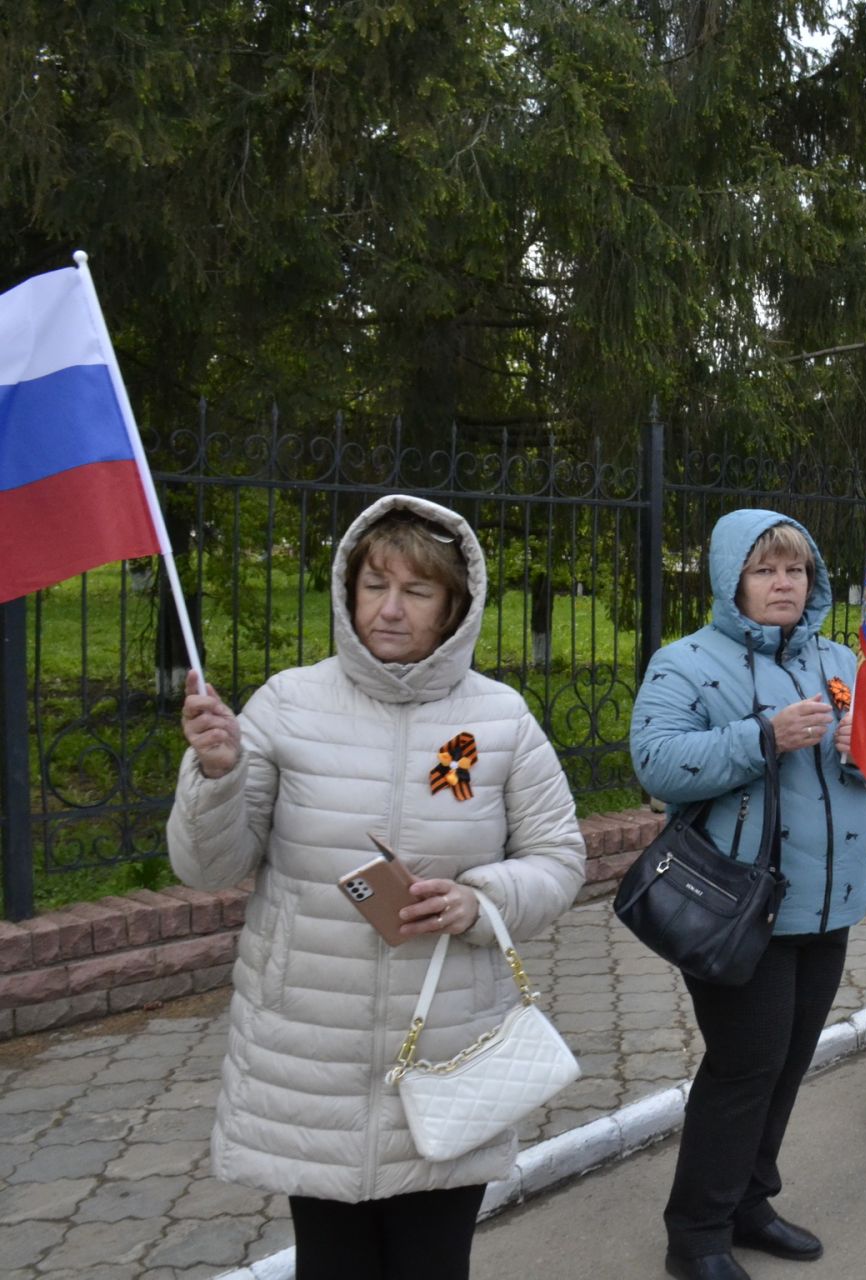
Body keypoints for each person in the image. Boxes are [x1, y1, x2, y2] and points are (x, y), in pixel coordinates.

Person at [168, 496, 587, 1280]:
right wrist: (218, 777)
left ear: (454, 608)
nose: (389, 609)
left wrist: (481, 900)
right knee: (332, 1267)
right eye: (373, 586)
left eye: (416, 591)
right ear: (346, 591)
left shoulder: (499, 720)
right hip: (309, 1050)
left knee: (432, 1265)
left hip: (449, 1050)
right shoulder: (287, 705)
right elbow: (207, 866)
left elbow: (560, 856)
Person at [630, 510, 866, 1280]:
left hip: (829, 898)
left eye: (796, 570)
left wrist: (864, 749)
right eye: (766, 570)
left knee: (787, 1062)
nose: (783, 583)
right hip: (739, 906)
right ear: (731, 579)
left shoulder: (839, 659)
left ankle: (750, 1201)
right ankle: (696, 1233)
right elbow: (658, 765)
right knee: (745, 1065)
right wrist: (763, 736)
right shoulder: (685, 663)